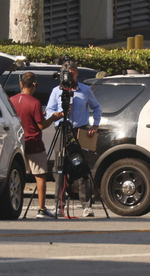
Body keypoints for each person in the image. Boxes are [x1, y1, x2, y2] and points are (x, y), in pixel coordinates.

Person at [45, 59, 102, 217]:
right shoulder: (56, 91)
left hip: (81, 130)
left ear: (76, 73)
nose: (69, 77)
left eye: (72, 73)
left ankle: (87, 205)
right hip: (63, 130)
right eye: (67, 74)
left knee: (82, 167)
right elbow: (49, 110)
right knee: (60, 168)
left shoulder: (85, 90)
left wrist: (95, 125)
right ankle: (59, 204)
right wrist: (59, 114)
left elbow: (96, 107)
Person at [9, 72, 61, 218]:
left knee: (16, 175)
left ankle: (14, 204)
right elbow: (40, 125)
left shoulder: (11, 100)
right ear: (35, 85)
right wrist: (53, 118)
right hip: (34, 143)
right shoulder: (35, 102)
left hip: (17, 142)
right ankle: (42, 209)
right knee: (40, 175)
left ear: (21, 84)